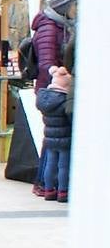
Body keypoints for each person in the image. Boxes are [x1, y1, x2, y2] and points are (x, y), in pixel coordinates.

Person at [36, 65, 73, 203]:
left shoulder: (45, 100)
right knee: (63, 166)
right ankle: (63, 191)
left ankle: (48, 190)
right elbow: (70, 119)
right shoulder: (64, 102)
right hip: (64, 139)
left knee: (50, 165)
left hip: (49, 138)